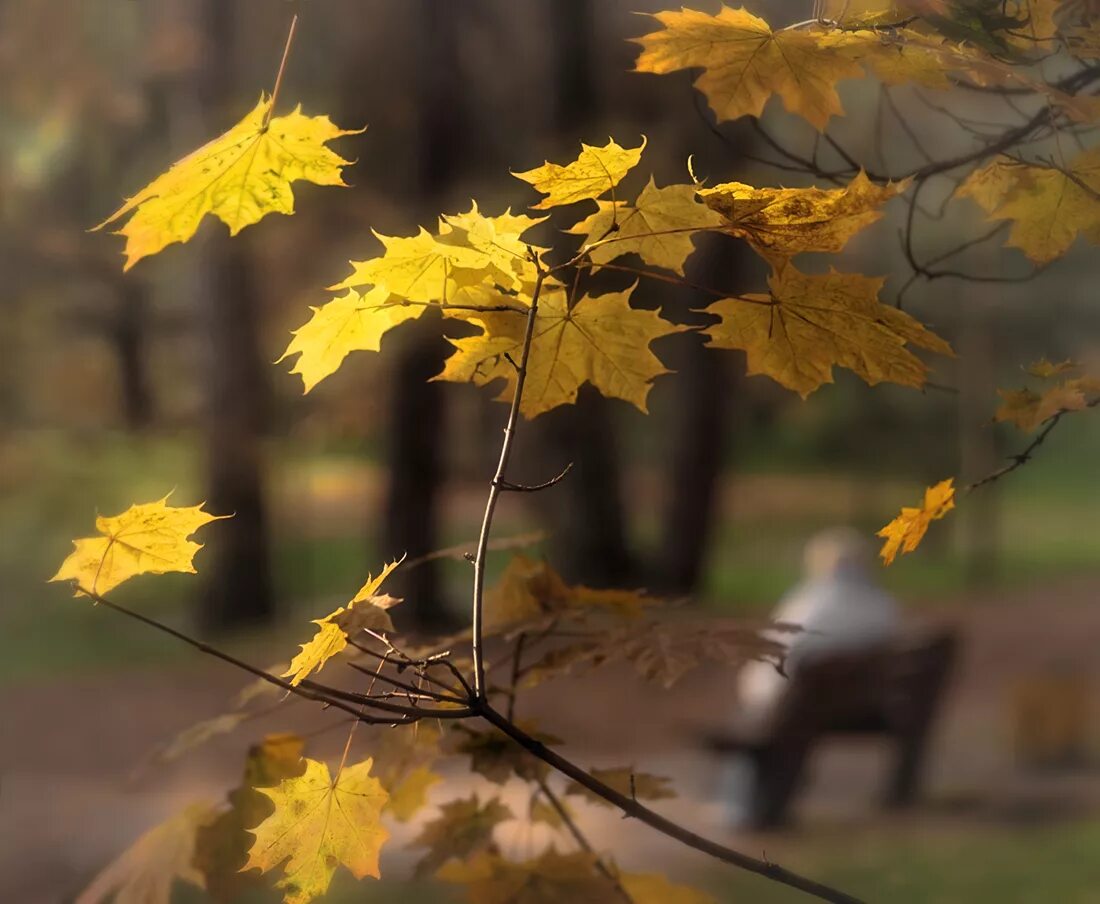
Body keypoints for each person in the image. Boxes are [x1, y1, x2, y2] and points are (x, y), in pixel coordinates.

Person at [725, 526, 903, 824]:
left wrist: (756, 691)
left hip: (798, 706)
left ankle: (738, 806)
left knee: (758, 721)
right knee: (781, 716)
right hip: (859, 706)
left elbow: (775, 660)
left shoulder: (811, 604)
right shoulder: (882, 605)